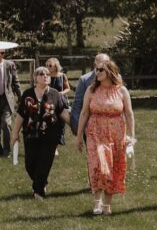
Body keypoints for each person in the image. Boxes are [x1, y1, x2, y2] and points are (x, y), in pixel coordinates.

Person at [77, 59, 135, 215]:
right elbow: (84, 113)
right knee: (97, 165)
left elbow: (129, 114)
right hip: (95, 132)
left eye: (101, 70)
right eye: (96, 70)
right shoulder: (91, 89)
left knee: (113, 167)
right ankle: (97, 202)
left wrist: (131, 136)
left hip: (116, 134)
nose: (97, 72)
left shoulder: (121, 91)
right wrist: (78, 136)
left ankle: (107, 205)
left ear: (110, 71)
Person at [12, 66, 72, 200]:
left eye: (47, 74)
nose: (45, 76)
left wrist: (75, 127)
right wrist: (15, 133)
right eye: (41, 74)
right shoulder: (27, 94)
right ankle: (41, 182)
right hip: (30, 134)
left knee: (44, 163)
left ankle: (39, 191)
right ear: (35, 78)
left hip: (50, 135)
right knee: (30, 164)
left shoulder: (55, 94)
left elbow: (62, 112)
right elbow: (21, 115)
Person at [71, 53, 111, 139]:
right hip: (91, 126)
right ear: (95, 64)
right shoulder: (84, 79)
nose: (104, 65)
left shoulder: (115, 78)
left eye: (107, 62)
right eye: (101, 62)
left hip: (112, 126)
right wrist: (76, 127)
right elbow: (78, 103)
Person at [45, 57, 71, 149]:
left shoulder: (62, 76)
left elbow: (68, 88)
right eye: (47, 65)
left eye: (50, 65)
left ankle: (59, 140)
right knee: (51, 122)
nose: (48, 67)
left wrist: (61, 93)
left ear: (56, 66)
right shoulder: (46, 76)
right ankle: (52, 144)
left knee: (61, 122)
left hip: (61, 101)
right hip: (49, 102)